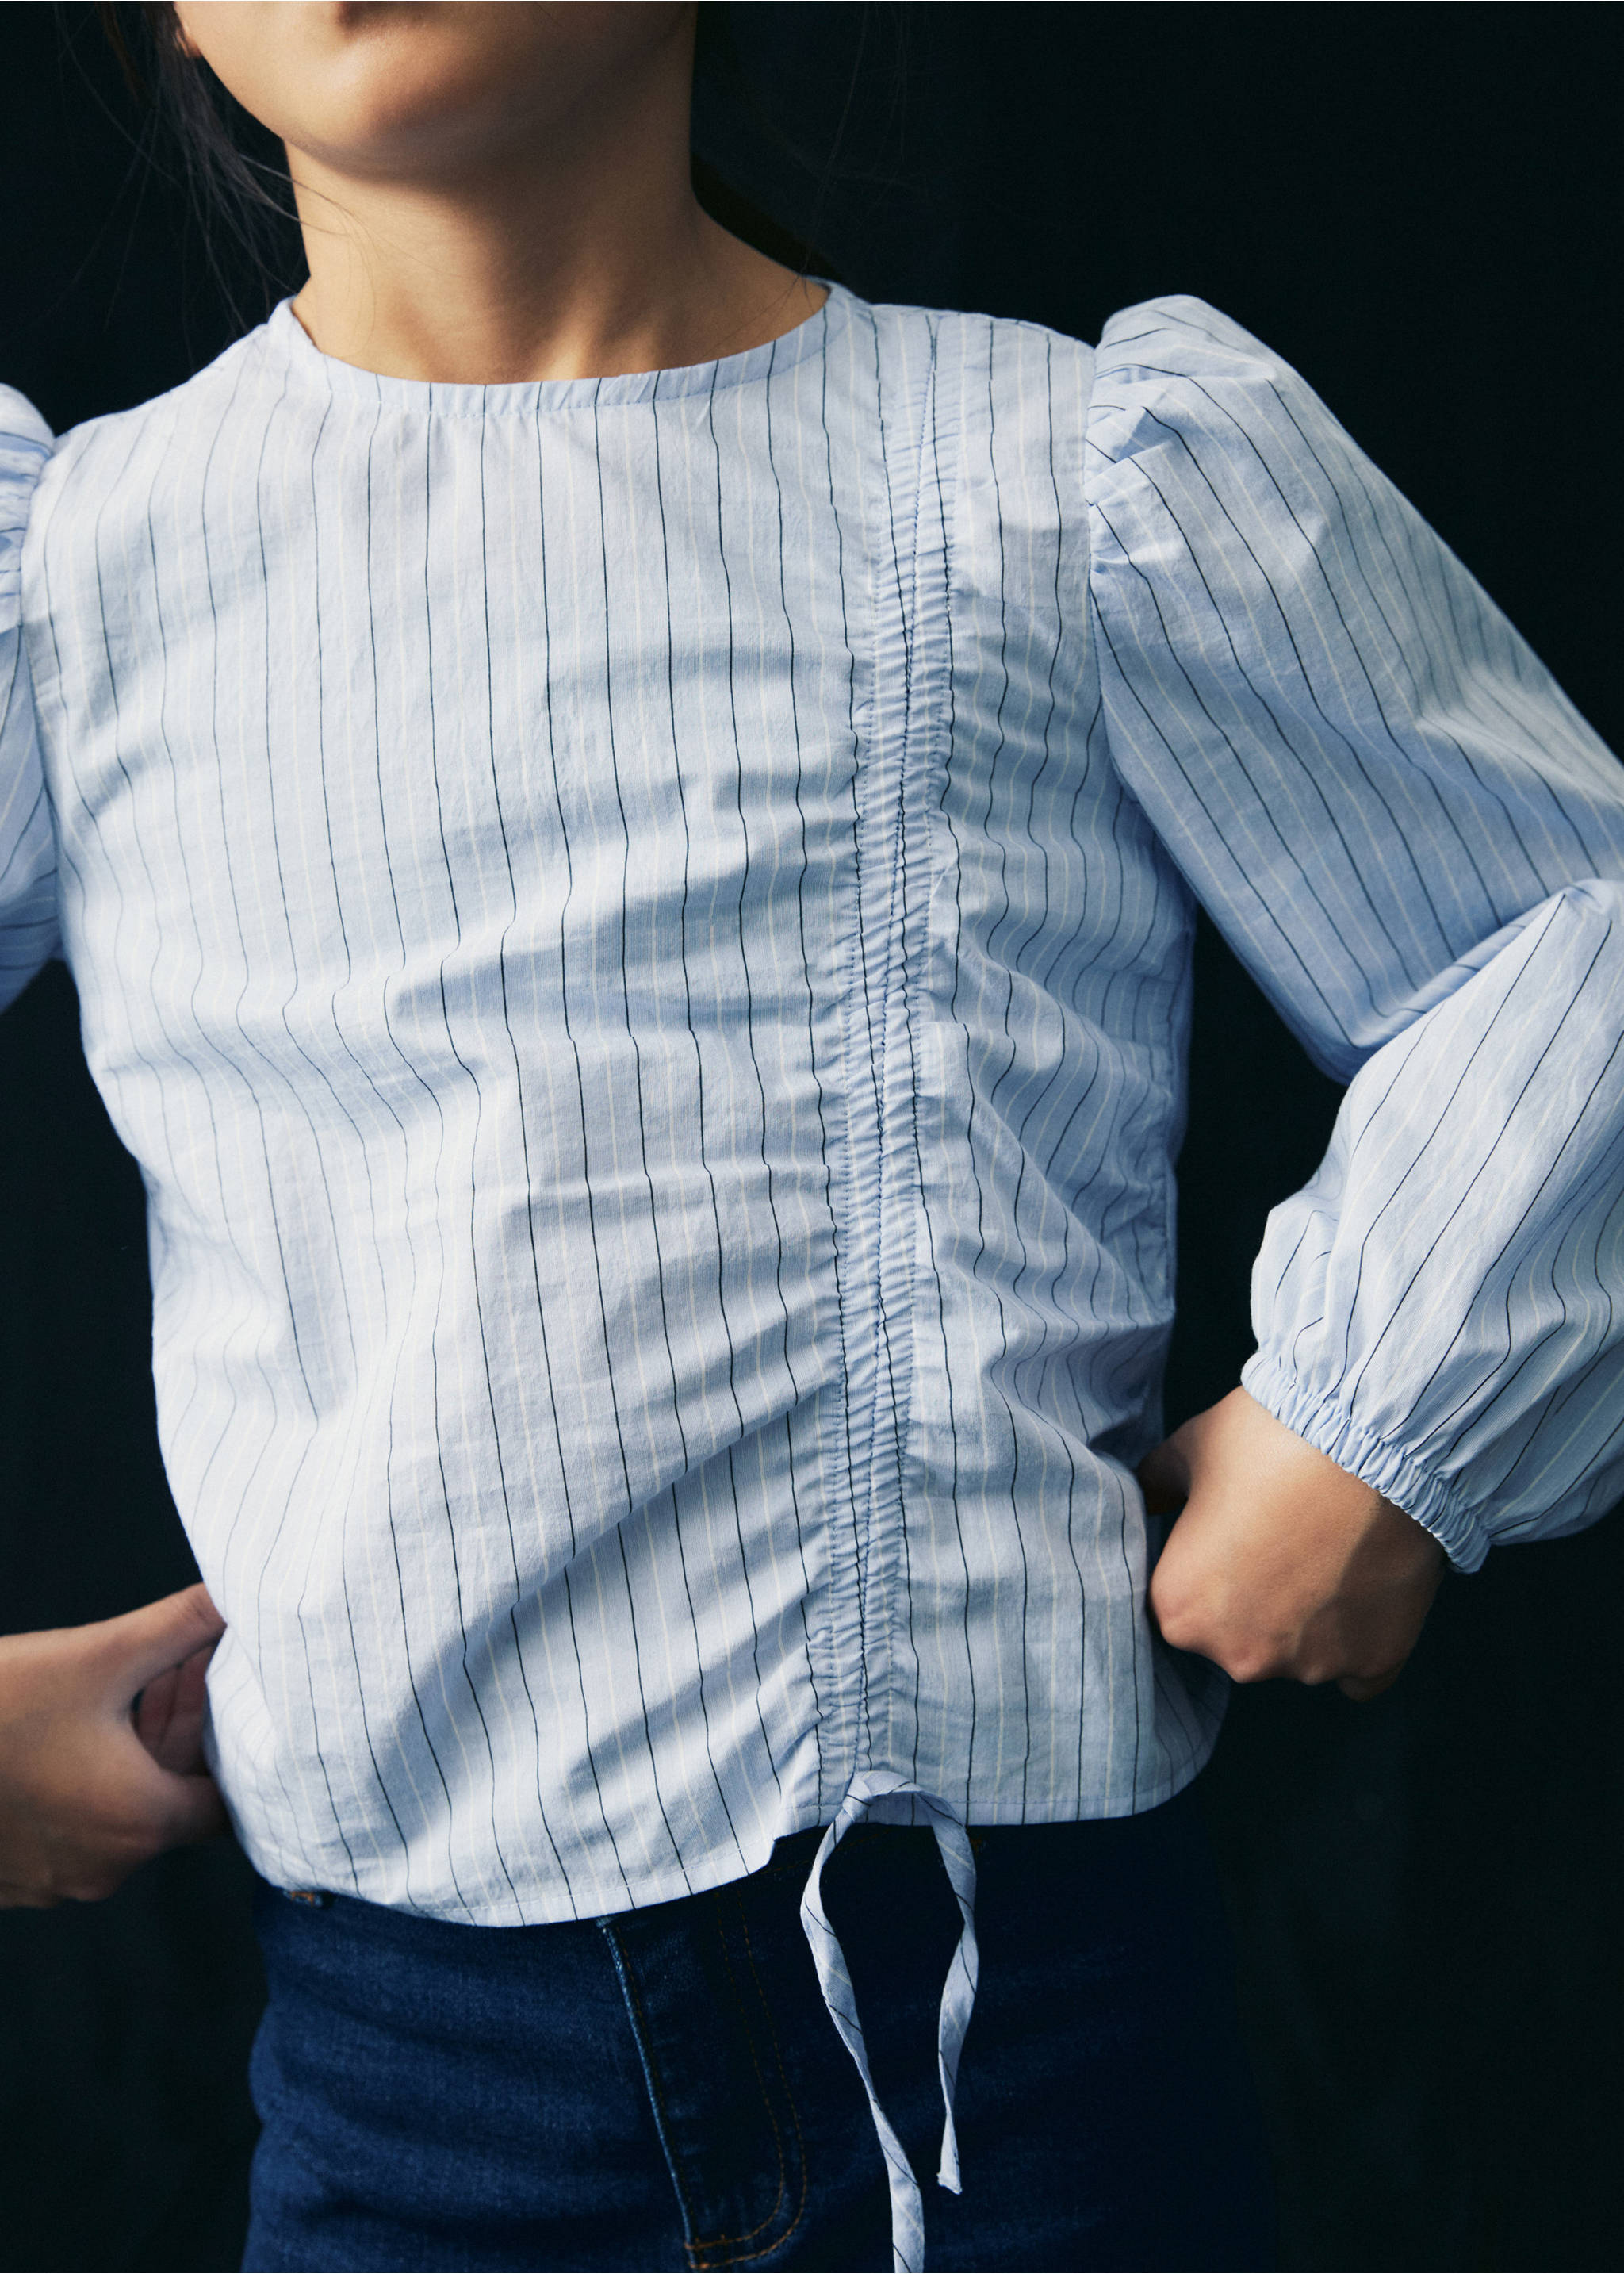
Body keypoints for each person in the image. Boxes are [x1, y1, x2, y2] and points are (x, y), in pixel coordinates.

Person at [1, 4, 1620, 2268]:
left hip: (1026, 2058)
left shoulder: (1067, 473)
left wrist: (1376, 1414)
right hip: (413, 2104)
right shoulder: (87, 581)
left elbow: (1572, 927)